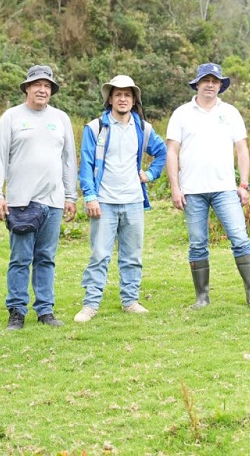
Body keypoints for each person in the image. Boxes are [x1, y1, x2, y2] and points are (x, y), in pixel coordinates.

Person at [166, 63, 250, 310]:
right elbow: (172, 151)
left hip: (225, 189)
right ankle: (202, 297)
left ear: (221, 85)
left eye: (215, 80)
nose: (210, 84)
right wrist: (175, 188)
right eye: (205, 80)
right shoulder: (181, 113)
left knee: (240, 238)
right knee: (197, 244)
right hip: (192, 190)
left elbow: (242, 149)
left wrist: (243, 184)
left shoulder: (230, 112)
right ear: (197, 84)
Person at [0, 65, 77, 330]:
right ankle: (16, 311)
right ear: (27, 88)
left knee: (46, 257)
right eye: (37, 84)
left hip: (54, 201)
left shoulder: (61, 118)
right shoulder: (12, 117)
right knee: (20, 258)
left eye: (47, 86)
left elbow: (69, 160)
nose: (42, 89)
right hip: (21, 201)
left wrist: (70, 195)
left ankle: (45, 310)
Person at [74, 75, 167, 323]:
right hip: (103, 201)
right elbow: (86, 165)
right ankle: (91, 304)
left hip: (134, 201)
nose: (123, 99)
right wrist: (90, 197)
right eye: (118, 94)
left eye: (127, 94)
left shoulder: (143, 129)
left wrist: (150, 174)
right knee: (99, 255)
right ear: (110, 99)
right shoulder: (95, 128)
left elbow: (161, 153)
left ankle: (130, 301)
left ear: (134, 99)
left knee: (132, 256)